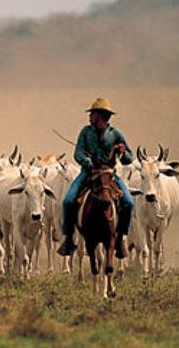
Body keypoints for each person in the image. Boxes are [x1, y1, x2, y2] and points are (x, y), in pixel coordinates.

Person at [57, 97, 134, 259]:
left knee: (128, 202)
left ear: (100, 116)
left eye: (92, 114)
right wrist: (88, 162)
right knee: (68, 200)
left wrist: (123, 152)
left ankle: (120, 239)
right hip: (88, 173)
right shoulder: (85, 132)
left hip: (109, 174)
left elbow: (129, 159)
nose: (89, 117)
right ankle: (68, 239)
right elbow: (78, 153)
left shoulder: (116, 134)